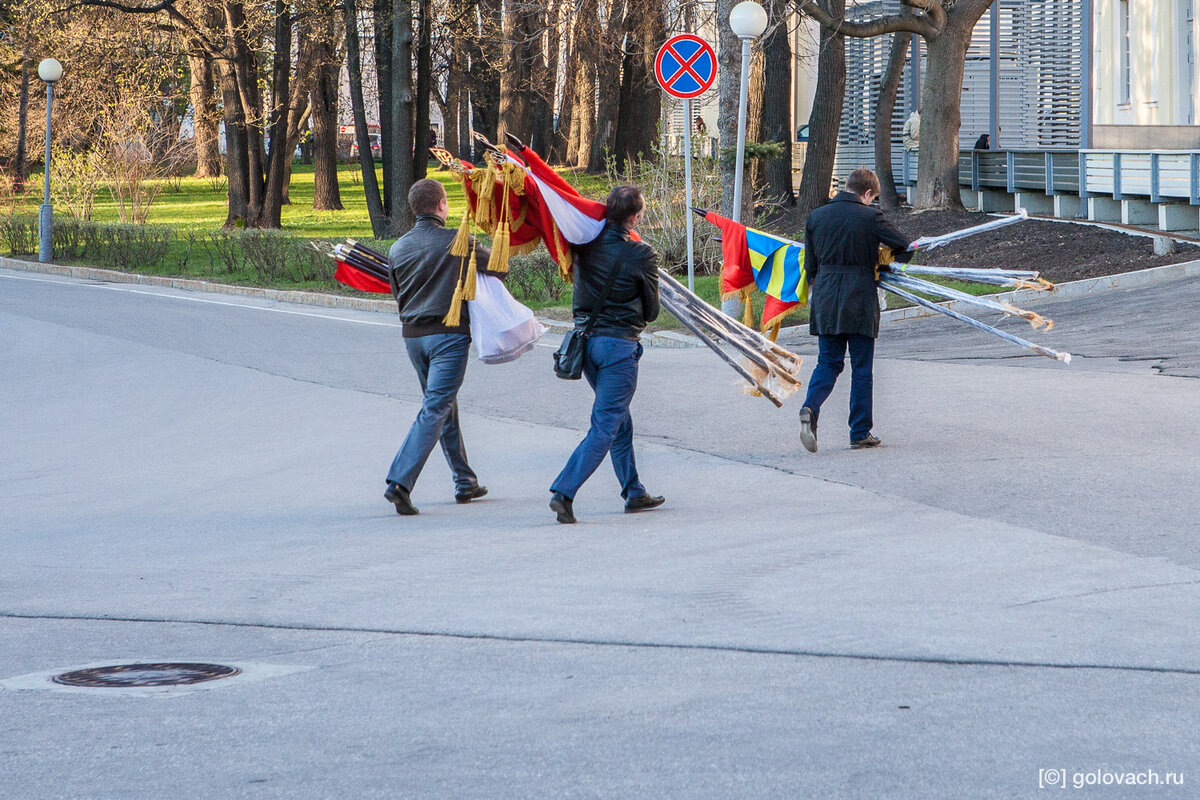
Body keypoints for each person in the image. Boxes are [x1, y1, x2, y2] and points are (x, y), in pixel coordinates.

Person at [548, 186, 664, 524]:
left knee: (618, 420)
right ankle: (563, 491)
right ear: (634, 217)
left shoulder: (583, 243)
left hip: (587, 347)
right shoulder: (642, 254)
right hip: (618, 349)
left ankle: (633, 491)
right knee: (605, 425)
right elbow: (653, 311)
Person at [383, 178, 497, 515]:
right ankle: (399, 483)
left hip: (413, 338)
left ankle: (465, 482)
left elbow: (397, 293)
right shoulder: (457, 241)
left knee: (442, 405)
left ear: (414, 208)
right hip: (448, 337)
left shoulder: (397, 248)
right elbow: (499, 267)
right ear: (442, 206)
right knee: (435, 408)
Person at [798, 167, 914, 453]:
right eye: (872, 197)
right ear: (866, 193)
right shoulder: (870, 217)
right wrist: (883, 260)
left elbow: (810, 266)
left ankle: (810, 408)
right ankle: (860, 432)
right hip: (860, 297)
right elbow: (905, 246)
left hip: (825, 297)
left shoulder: (816, 216)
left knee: (828, 363)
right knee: (861, 367)